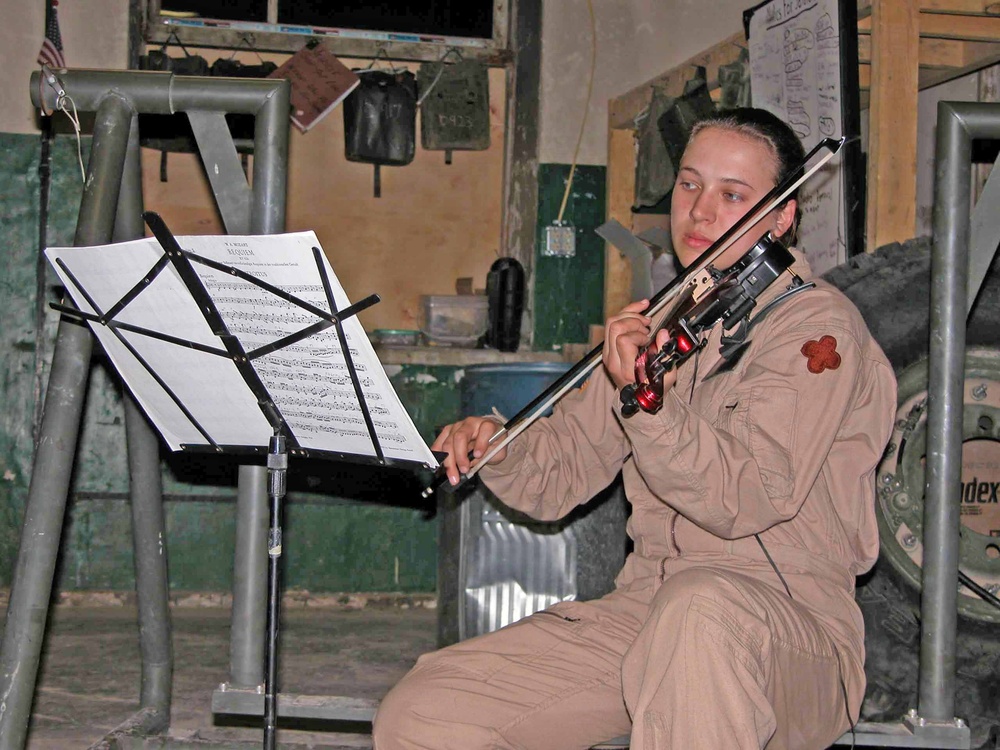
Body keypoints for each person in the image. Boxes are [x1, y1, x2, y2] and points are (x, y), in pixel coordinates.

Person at [373, 107, 898, 750]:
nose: (700, 211)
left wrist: (649, 404)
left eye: (733, 195)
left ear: (781, 216)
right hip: (647, 609)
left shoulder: (816, 331)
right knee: (423, 713)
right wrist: (499, 446)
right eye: (689, 184)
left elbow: (747, 495)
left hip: (788, 632)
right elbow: (563, 471)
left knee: (699, 610)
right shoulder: (666, 320)